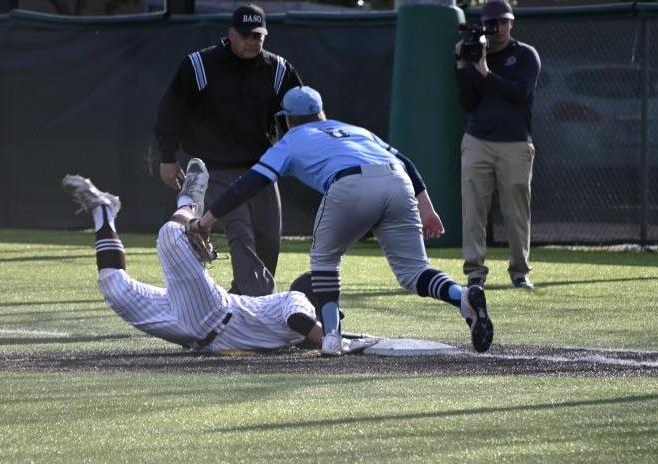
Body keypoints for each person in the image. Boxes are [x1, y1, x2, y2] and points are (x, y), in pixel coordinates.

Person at [186, 86, 495, 356]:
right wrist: (427, 208)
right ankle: (462, 296)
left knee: (324, 259)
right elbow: (406, 163)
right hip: (397, 180)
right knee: (414, 271)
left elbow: (248, 184)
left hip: (350, 185)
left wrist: (208, 219)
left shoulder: (291, 139)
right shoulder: (356, 130)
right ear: (322, 113)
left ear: (287, 119)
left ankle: (332, 336)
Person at [60, 161, 375, 355]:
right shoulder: (295, 299)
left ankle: (104, 212)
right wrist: (330, 340)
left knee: (113, 286)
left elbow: (301, 328)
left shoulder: (290, 336)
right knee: (170, 238)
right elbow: (299, 319)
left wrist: (329, 338)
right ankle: (190, 201)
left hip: (193, 331)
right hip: (210, 314)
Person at [154, 3, 302, 297]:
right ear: (231, 34)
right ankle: (253, 301)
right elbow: (171, 112)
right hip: (214, 167)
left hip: (261, 170)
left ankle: (246, 297)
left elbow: (299, 116)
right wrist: (167, 158)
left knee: (268, 239)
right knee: (241, 232)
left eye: (257, 36)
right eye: (245, 35)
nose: (251, 41)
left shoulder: (279, 70)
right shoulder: (199, 65)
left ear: (265, 35)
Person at [455, 0, 541, 289]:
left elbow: (519, 93)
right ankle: (475, 274)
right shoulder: (476, 56)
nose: (499, 28)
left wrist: (485, 72)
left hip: (515, 144)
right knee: (473, 209)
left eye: (504, 22)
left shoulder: (525, 55)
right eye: (493, 23)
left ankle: (520, 273)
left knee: (516, 211)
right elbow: (467, 102)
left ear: (512, 23)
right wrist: (462, 64)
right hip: (477, 141)